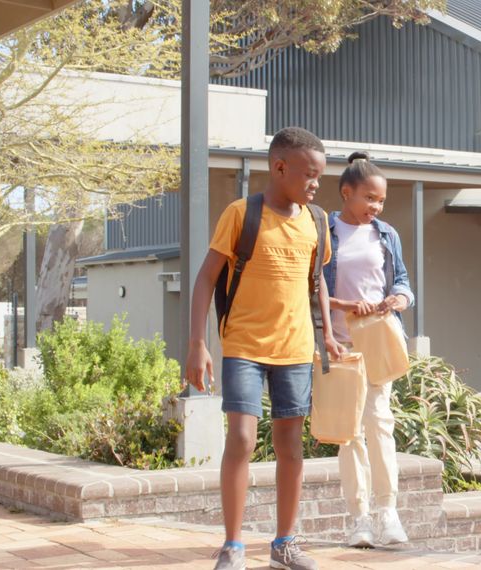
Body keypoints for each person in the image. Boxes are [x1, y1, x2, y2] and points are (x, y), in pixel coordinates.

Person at [185, 127, 344, 570]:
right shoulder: (241, 213)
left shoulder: (316, 222)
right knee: (241, 437)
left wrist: (328, 334)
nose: (316, 184)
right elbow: (205, 279)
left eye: (320, 176)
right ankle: (233, 545)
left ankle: (284, 544)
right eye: (309, 175)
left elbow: (319, 286)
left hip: (295, 347)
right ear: (279, 167)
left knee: (291, 445)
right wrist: (198, 344)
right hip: (244, 345)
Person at [323, 151, 415, 547]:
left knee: (379, 422)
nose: (374, 207)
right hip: (339, 345)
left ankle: (387, 512)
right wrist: (342, 306)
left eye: (380, 201)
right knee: (349, 433)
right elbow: (310, 289)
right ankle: (359, 519)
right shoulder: (324, 231)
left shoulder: (386, 234)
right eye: (369, 199)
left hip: (376, 341)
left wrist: (398, 298)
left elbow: (404, 282)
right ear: (347, 193)